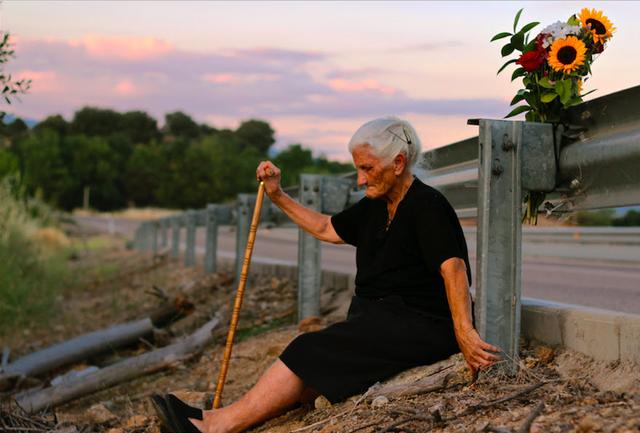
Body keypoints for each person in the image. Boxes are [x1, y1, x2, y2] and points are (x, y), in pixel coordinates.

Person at [153, 116, 501, 433]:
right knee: (312, 373)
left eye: (367, 168)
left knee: (308, 348)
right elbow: (325, 227)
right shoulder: (374, 205)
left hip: (419, 325)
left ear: (397, 163)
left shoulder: (428, 206)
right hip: (379, 321)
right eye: (358, 169)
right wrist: (278, 195)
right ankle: (213, 416)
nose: (361, 179)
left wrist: (464, 333)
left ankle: (215, 428)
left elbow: (452, 269)